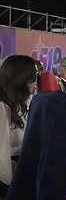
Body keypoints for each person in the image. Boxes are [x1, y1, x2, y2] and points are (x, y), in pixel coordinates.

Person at [0, 55, 38, 185]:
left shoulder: (22, 103)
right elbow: (2, 157)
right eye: (32, 79)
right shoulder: (2, 107)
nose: (35, 84)